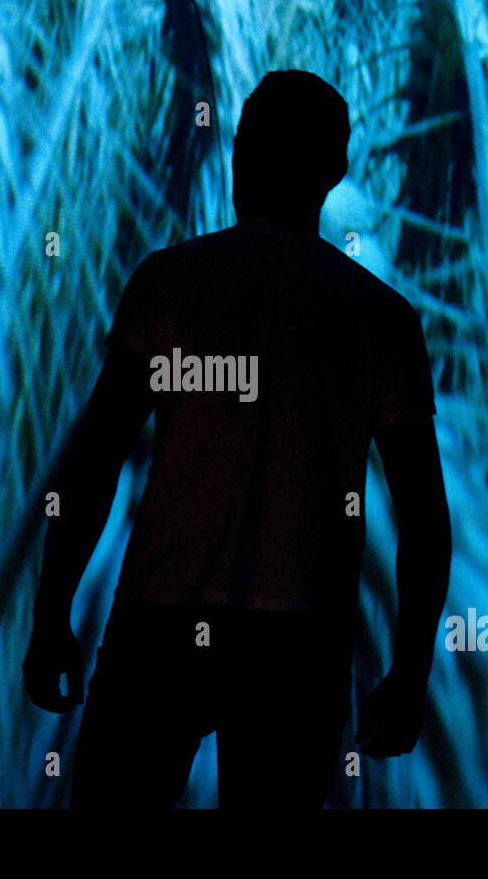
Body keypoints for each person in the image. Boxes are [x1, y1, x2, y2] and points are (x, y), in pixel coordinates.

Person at [23, 70, 451, 808]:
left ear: (239, 153)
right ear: (336, 170)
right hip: (301, 645)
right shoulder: (383, 319)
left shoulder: (168, 282)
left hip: (160, 622)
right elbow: (425, 518)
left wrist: (51, 612)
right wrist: (411, 671)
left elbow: (91, 464)